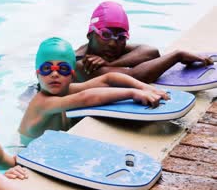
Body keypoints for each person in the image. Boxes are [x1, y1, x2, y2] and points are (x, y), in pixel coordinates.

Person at [19, 37, 169, 142]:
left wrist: (144, 87)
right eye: (47, 69)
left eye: (63, 69)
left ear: (72, 75)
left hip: (52, 144)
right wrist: (132, 93)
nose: (54, 74)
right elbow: (86, 97)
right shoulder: (41, 102)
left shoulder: (67, 90)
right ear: (37, 75)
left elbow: (108, 79)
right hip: (27, 151)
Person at [76, 1, 213, 83]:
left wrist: (111, 63)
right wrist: (177, 55)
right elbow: (134, 77)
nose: (113, 44)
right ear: (90, 34)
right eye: (105, 35)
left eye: (121, 37)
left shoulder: (105, 52)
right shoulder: (81, 63)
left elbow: (151, 52)